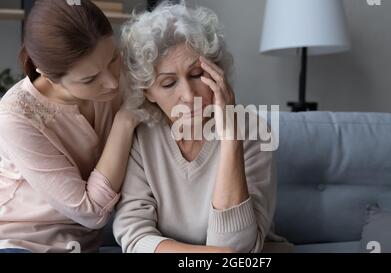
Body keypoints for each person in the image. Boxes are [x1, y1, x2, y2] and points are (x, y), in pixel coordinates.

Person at [113, 1, 289, 253]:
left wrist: (230, 139)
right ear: (148, 92)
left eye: (196, 75)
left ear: (217, 72)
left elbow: (237, 248)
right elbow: (134, 235)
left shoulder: (253, 131)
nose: (188, 94)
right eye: (168, 83)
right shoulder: (141, 138)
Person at [0, 0, 145, 252]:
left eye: (112, 58)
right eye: (90, 79)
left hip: (91, 238)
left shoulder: (115, 81)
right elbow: (91, 212)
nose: (111, 82)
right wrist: (125, 120)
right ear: (46, 73)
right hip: (24, 241)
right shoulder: (16, 116)